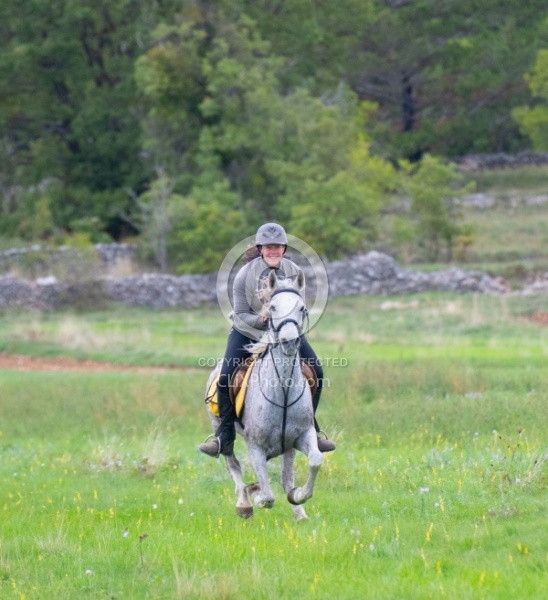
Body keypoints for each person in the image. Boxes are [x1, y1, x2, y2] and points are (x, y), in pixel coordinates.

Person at [198, 223, 336, 458]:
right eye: (269, 247)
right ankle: (224, 437)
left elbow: (298, 308)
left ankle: (311, 428)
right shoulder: (244, 275)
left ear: (284, 248)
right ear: (261, 249)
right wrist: (263, 320)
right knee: (225, 377)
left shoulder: (293, 271)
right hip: (247, 331)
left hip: (284, 332)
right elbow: (241, 314)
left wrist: (286, 325)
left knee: (318, 371)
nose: (273, 251)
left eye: (278, 247)